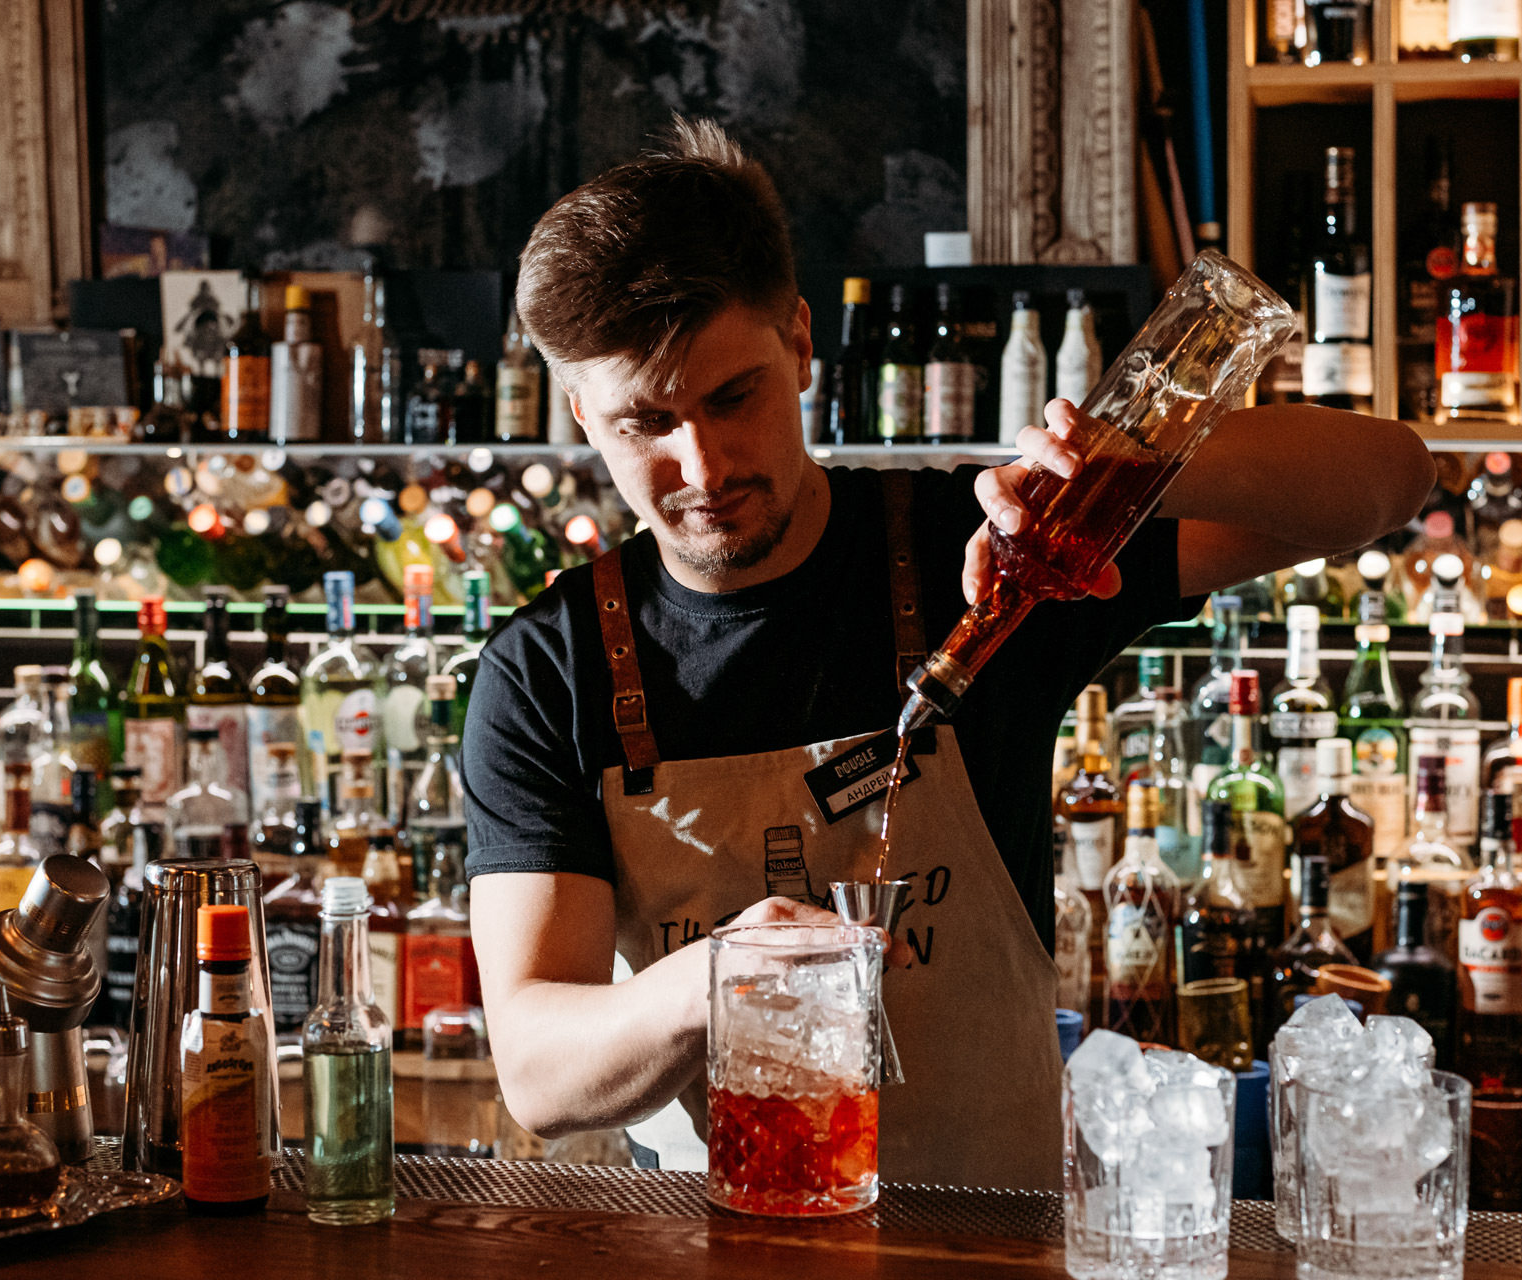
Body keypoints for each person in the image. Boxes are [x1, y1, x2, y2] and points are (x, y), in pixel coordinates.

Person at [463, 118, 1433, 1188]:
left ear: (799, 343)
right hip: (716, 1244)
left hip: (1001, 1240)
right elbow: (539, 1073)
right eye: (644, 422)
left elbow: (1389, 480)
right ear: (580, 415)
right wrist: (721, 975)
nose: (704, 465)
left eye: (733, 397)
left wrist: (1122, 467)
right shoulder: (549, 670)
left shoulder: (983, 558)